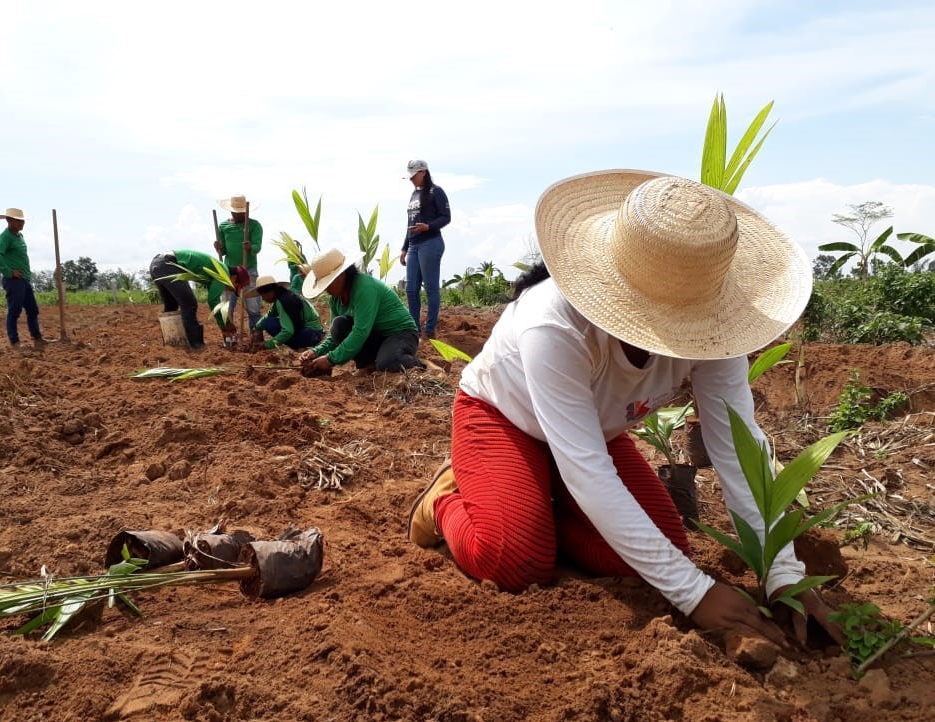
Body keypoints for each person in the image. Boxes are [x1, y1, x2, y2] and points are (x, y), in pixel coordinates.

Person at [407, 170, 844, 646]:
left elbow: (737, 450)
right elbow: (589, 471)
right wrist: (695, 594)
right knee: (518, 561)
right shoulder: (552, 324)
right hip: (504, 417)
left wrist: (783, 573)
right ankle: (444, 502)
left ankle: (536, 502)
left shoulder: (714, 333)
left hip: (591, 434)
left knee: (663, 551)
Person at [299, 248, 424, 376]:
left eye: (328, 283)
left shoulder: (365, 288)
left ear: (341, 275)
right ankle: (368, 365)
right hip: (376, 335)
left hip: (401, 333)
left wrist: (330, 360)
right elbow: (334, 336)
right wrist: (317, 352)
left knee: (388, 363)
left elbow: (360, 332)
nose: (325, 289)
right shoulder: (335, 299)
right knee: (339, 325)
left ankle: (422, 366)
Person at [149, 249, 251, 351]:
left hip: (158, 264)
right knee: (189, 304)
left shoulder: (216, 269)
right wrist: (225, 324)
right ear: (233, 278)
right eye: (237, 286)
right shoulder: (223, 272)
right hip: (169, 265)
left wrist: (224, 324)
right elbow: (213, 301)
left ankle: (172, 343)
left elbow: (212, 297)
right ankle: (197, 345)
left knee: (171, 305)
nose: (231, 289)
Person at [399, 159, 451, 340]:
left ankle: (429, 330)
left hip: (430, 242)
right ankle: (414, 328)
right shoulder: (414, 194)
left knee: (430, 288)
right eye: (410, 176)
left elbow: (446, 217)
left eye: (414, 176)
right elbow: (410, 223)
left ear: (423, 172)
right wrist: (404, 247)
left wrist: (428, 226)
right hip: (413, 245)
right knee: (411, 289)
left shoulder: (436, 192)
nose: (412, 179)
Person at [0, 208, 47, 349]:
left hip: (24, 280)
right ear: (9, 221)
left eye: (23, 220)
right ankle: (14, 342)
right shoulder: (6, 236)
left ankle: (37, 338)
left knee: (32, 309)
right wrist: (9, 272)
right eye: (19, 220)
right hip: (14, 281)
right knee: (14, 311)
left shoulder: (19, 236)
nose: (22, 223)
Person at [214, 194, 264, 330]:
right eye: (235, 212)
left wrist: (250, 247)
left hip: (249, 271)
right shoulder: (224, 226)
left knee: (253, 307)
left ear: (246, 211)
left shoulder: (254, 225)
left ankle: (255, 335)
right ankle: (229, 337)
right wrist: (219, 248)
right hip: (229, 272)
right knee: (226, 307)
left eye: (241, 212)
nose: (238, 215)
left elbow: (257, 247)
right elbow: (223, 251)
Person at [247, 274, 325, 350]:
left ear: (268, 293)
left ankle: (300, 346)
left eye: (262, 296)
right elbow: (269, 314)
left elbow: (288, 331)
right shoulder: (283, 295)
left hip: (311, 334)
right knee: (268, 321)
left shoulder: (283, 301)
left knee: (269, 323)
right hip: (314, 333)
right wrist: (257, 328)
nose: (263, 299)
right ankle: (300, 345)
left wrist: (267, 344)